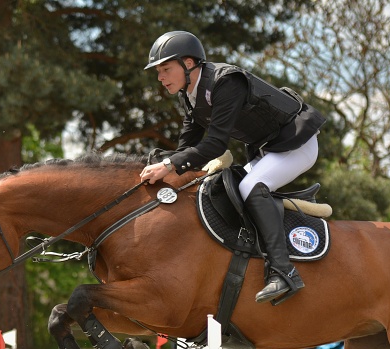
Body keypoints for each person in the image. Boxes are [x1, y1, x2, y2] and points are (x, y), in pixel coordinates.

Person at [140, 31, 326, 304]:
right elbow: (186, 148)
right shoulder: (189, 96)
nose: (160, 77)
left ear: (189, 63)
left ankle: (284, 272)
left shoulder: (225, 82)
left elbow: (215, 145)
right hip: (268, 151)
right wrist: (159, 162)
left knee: (250, 186)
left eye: (166, 69)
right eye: (158, 71)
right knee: (218, 187)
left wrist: (169, 165)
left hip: (296, 144)